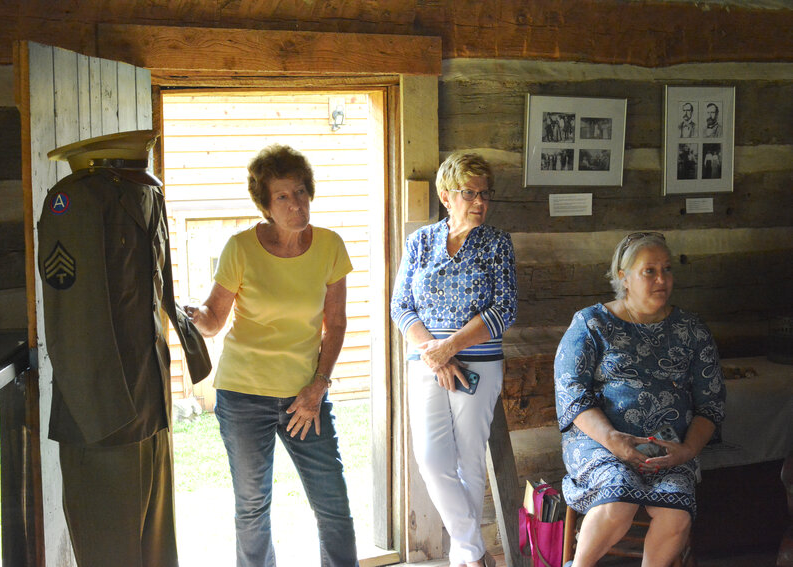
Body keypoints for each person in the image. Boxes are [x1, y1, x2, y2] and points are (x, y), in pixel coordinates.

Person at [38, 130, 212, 567]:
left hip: (146, 398)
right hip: (101, 407)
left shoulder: (143, 195)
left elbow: (153, 293)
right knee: (109, 545)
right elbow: (71, 314)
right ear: (108, 170)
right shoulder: (74, 201)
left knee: (153, 545)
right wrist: (101, 413)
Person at [184, 144, 358, 567]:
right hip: (243, 396)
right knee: (252, 507)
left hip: (306, 397)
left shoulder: (330, 246)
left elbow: (334, 325)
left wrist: (319, 385)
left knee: (332, 503)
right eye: (282, 196)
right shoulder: (241, 248)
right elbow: (214, 320)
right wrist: (192, 317)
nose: (296, 203)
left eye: (300, 191)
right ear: (265, 204)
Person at [555, 232, 726, 567]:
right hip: (601, 444)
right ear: (624, 277)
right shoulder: (591, 324)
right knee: (618, 500)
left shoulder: (691, 330)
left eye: (667, 269)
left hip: (669, 449)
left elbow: (711, 404)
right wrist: (612, 440)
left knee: (675, 514)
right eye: (650, 271)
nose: (662, 279)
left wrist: (687, 450)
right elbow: (571, 393)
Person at [391, 152, 518, 567]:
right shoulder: (420, 242)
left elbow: (504, 310)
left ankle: (465, 556)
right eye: (470, 193)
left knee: (468, 460)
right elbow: (400, 306)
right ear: (446, 196)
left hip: (478, 364)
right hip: (427, 362)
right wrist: (436, 352)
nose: (480, 201)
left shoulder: (497, 243)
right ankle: (475, 552)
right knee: (431, 460)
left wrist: (452, 348)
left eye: (485, 194)